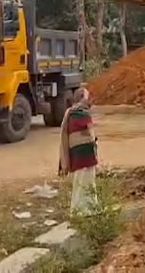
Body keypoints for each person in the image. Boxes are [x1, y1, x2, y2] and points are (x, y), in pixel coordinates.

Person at [58, 86, 98, 215]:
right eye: (87, 96)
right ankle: (84, 210)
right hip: (84, 154)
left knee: (82, 182)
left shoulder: (70, 113)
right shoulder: (81, 113)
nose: (89, 99)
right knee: (85, 182)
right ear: (82, 98)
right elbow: (90, 133)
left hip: (78, 154)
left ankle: (82, 209)